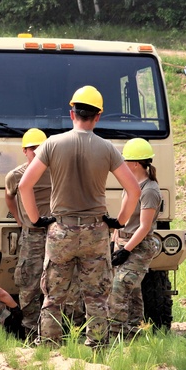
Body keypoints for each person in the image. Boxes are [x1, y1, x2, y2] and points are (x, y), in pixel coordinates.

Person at [18, 85, 141, 347]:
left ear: (72, 113)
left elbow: (24, 185)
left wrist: (37, 220)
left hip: (60, 231)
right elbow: (133, 190)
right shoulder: (107, 149)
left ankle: (49, 349)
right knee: (96, 297)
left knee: (54, 296)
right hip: (96, 232)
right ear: (98, 117)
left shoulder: (52, 144)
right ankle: (97, 348)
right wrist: (119, 221)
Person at [107, 138, 163, 339]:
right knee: (132, 293)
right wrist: (115, 240)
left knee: (119, 289)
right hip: (124, 242)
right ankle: (134, 334)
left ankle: (116, 335)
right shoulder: (131, 185)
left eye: (126, 161)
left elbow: (144, 226)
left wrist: (126, 250)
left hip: (137, 246)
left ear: (136, 164)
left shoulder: (149, 190)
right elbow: (123, 219)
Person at [4, 128, 52, 339]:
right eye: (32, 149)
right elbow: (9, 197)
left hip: (55, 234)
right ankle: (31, 333)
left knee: (58, 284)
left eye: (40, 148)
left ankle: (55, 332)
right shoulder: (16, 175)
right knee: (29, 284)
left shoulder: (57, 171)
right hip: (32, 235)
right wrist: (19, 219)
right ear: (25, 151)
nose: (36, 152)